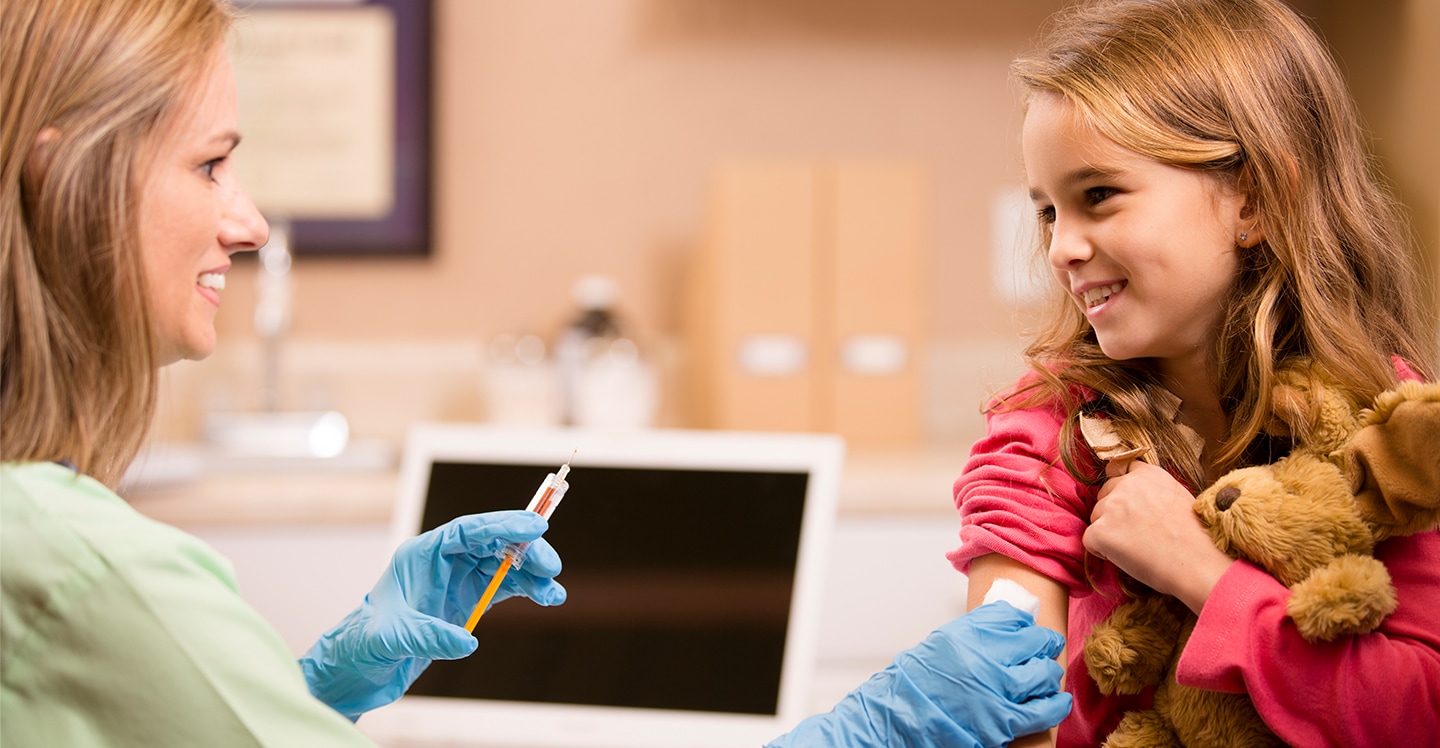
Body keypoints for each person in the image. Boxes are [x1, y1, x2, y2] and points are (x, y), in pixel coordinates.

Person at [2, 0, 1070, 745]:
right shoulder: (91, 568)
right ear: (62, 172)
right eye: (210, 163)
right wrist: (862, 733)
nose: (247, 220)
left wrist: (316, 692)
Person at [947, 0, 1440, 745]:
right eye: (1048, 211)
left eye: (1098, 196)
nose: (1060, 248)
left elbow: (1419, 712)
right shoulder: (1050, 422)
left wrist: (1203, 574)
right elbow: (1006, 674)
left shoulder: (1393, 430)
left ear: (1256, 199)